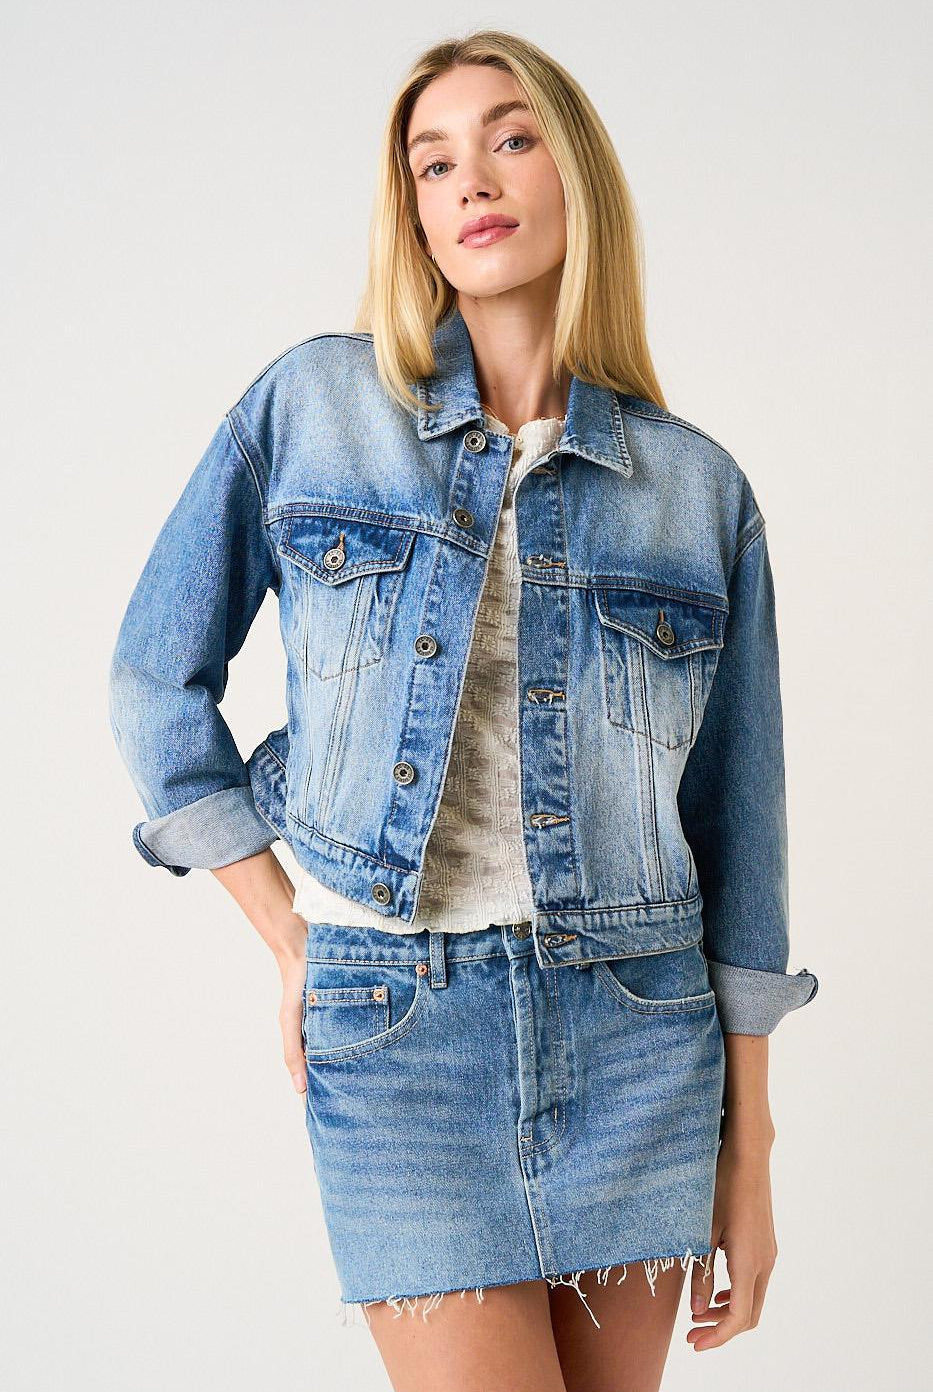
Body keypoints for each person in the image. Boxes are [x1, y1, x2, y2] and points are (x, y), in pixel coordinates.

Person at [108, 29, 819, 1392]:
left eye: (509, 138)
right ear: (414, 212)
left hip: (639, 1035)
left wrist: (754, 1152)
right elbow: (153, 678)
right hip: (397, 1035)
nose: (471, 182)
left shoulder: (695, 491)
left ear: (575, 173)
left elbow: (743, 825)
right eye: (432, 163)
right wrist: (285, 931)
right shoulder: (312, 408)